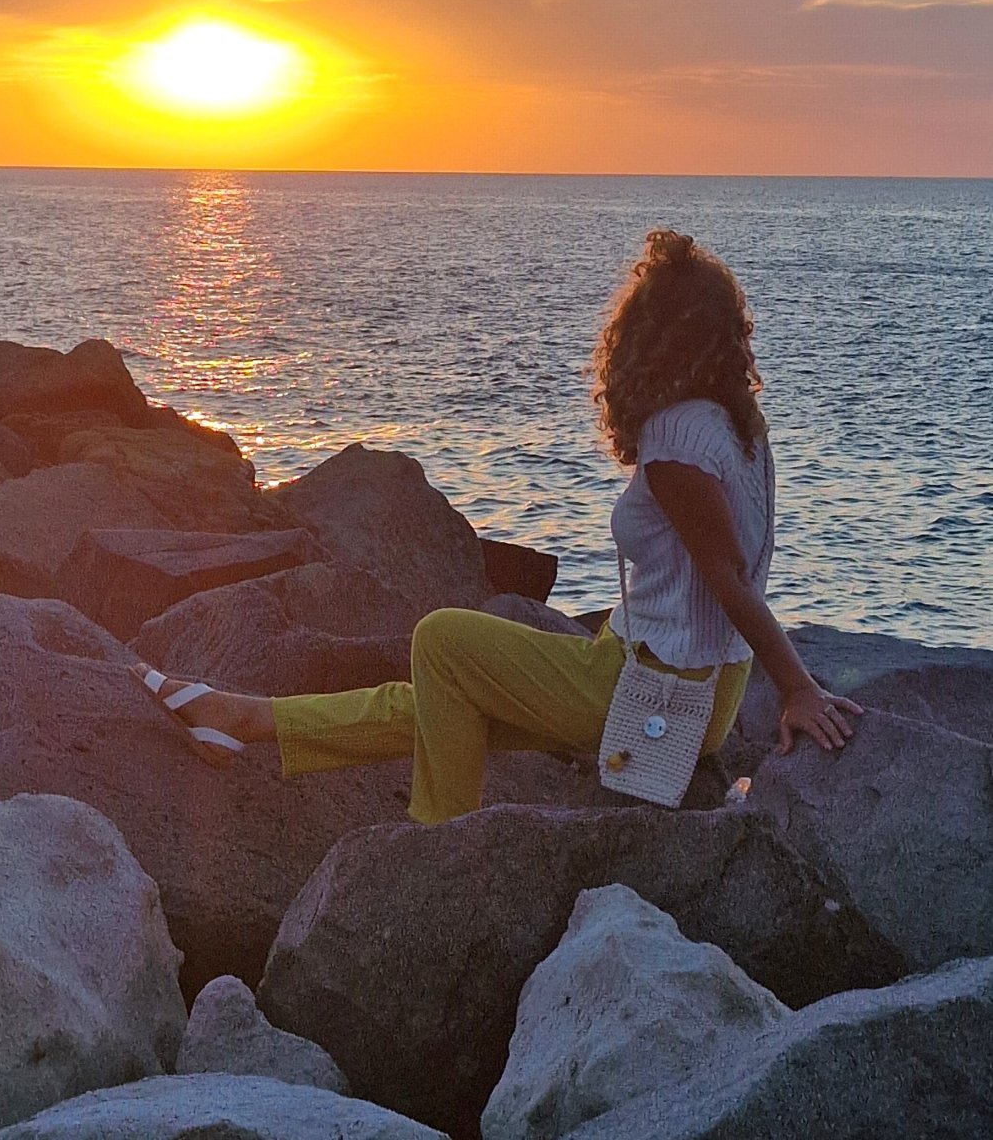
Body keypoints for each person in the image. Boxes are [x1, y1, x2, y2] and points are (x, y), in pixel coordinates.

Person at [134, 228, 860, 820]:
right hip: (689, 680)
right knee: (444, 699)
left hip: (659, 688)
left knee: (441, 639)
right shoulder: (738, 423)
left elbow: (729, 577)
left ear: (652, 336)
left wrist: (797, 688)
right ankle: (241, 718)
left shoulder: (677, 441)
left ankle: (441, 842)